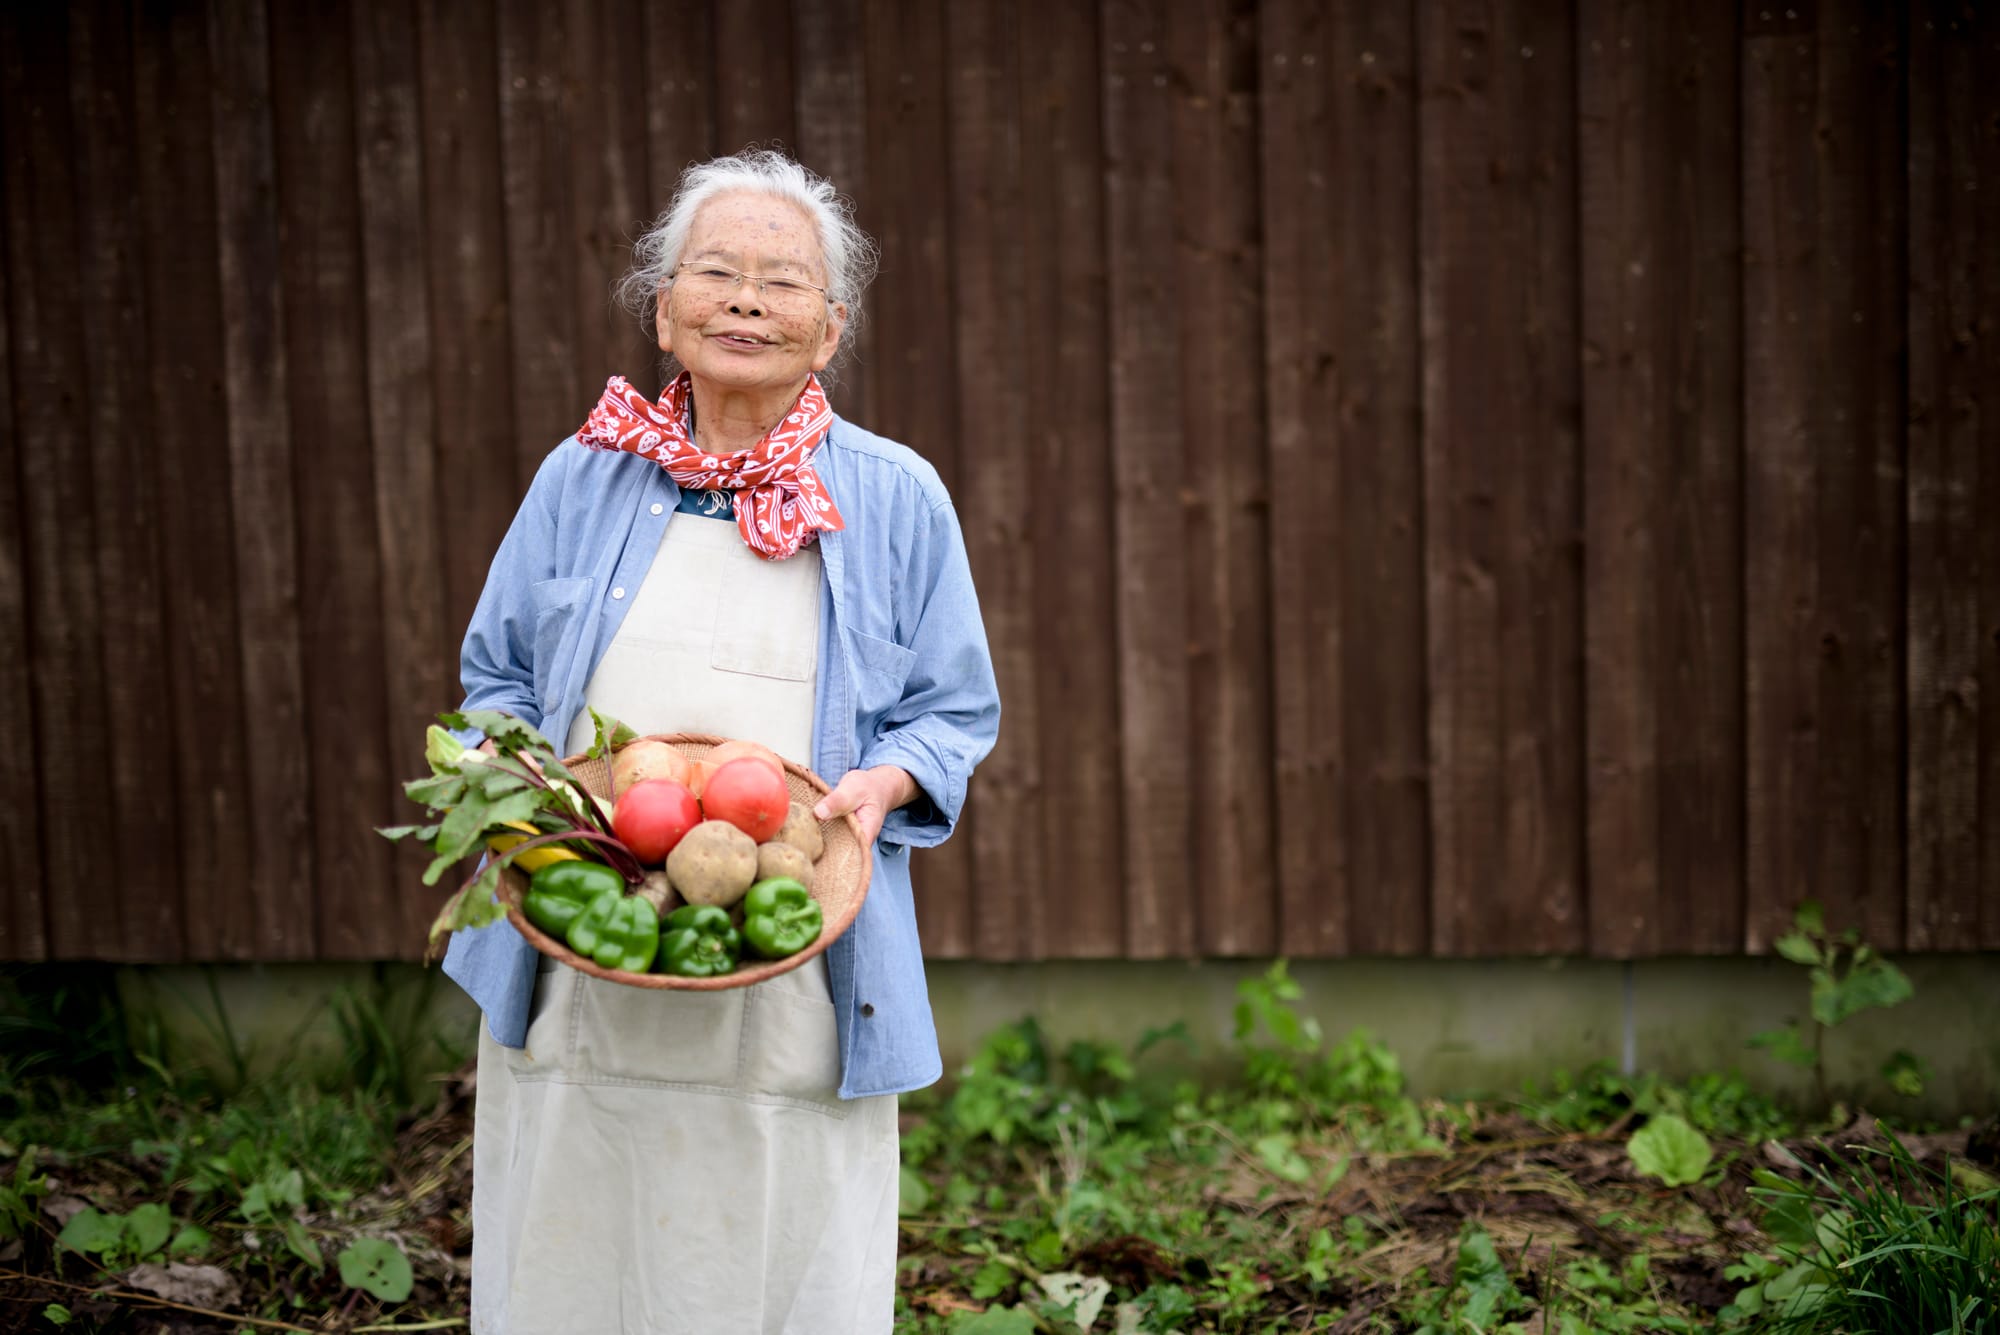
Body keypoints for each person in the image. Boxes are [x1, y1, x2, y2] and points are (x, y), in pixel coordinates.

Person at [440, 149, 1001, 1334]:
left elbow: (953, 711)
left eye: (783, 281)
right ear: (663, 308)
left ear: (831, 326)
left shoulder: (895, 497)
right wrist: (514, 779)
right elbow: (493, 674)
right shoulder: (581, 475)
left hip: (792, 940)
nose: (747, 300)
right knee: (572, 1239)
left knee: (773, 1244)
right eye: (717, 272)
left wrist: (882, 782)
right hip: (583, 926)